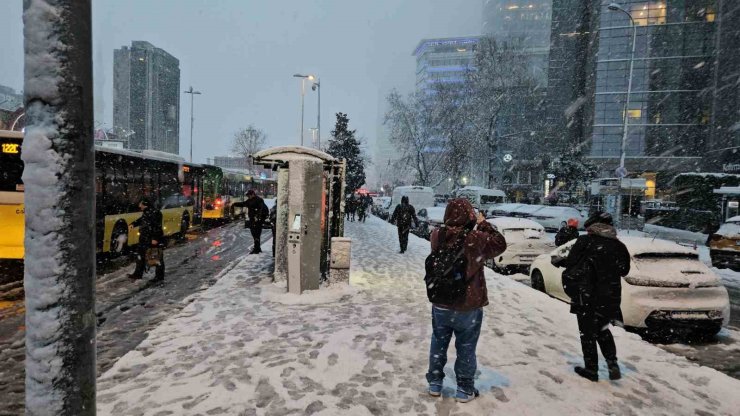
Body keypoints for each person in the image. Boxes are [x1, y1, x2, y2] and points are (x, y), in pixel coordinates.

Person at [426, 199, 506, 402]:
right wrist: (484, 224)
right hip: (468, 303)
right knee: (466, 346)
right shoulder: (475, 238)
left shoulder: (437, 235)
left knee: (438, 341)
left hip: (441, 300)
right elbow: (500, 244)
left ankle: (435, 383)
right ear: (469, 215)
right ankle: (464, 388)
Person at [554, 211, 630, 382]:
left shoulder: (585, 242)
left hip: (586, 295)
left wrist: (561, 262)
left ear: (593, 227)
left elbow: (572, 263)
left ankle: (591, 369)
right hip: (610, 297)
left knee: (587, 334)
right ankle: (612, 363)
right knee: (603, 329)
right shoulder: (618, 245)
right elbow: (624, 270)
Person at [128, 197, 164, 281]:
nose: (139, 205)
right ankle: (137, 274)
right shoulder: (147, 212)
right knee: (140, 256)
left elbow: (157, 226)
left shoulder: (155, 213)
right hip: (144, 238)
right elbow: (142, 220)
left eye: (140, 203)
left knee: (156, 258)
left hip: (151, 239)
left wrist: (155, 238)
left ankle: (159, 277)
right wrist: (133, 224)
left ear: (145, 204)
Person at [236, 190, 269, 254]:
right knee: (254, 234)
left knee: (256, 233)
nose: (248, 196)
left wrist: (257, 217)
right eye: (248, 195)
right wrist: (235, 204)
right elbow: (243, 204)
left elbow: (261, 209)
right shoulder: (250, 200)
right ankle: (257, 248)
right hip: (253, 219)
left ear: (252, 194)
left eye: (249, 195)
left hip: (257, 220)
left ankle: (257, 249)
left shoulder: (259, 200)